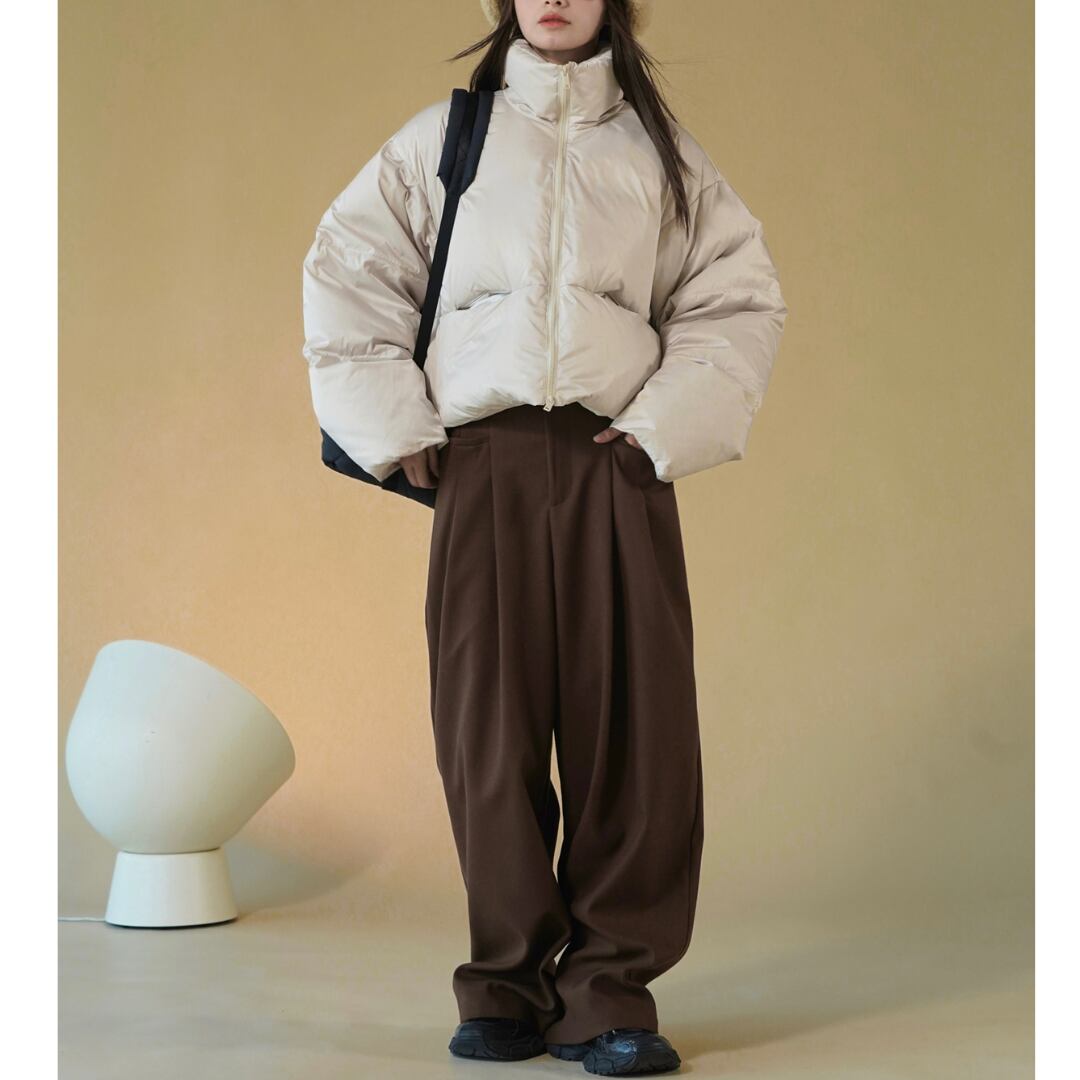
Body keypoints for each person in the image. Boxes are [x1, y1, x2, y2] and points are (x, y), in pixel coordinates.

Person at [301, 0, 788, 1074]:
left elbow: (736, 301)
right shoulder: (446, 139)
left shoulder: (660, 154)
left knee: (635, 738)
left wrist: (658, 433)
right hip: (484, 463)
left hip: (618, 462)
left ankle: (609, 994)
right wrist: (398, 428)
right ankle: (506, 988)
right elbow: (348, 271)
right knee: (490, 735)